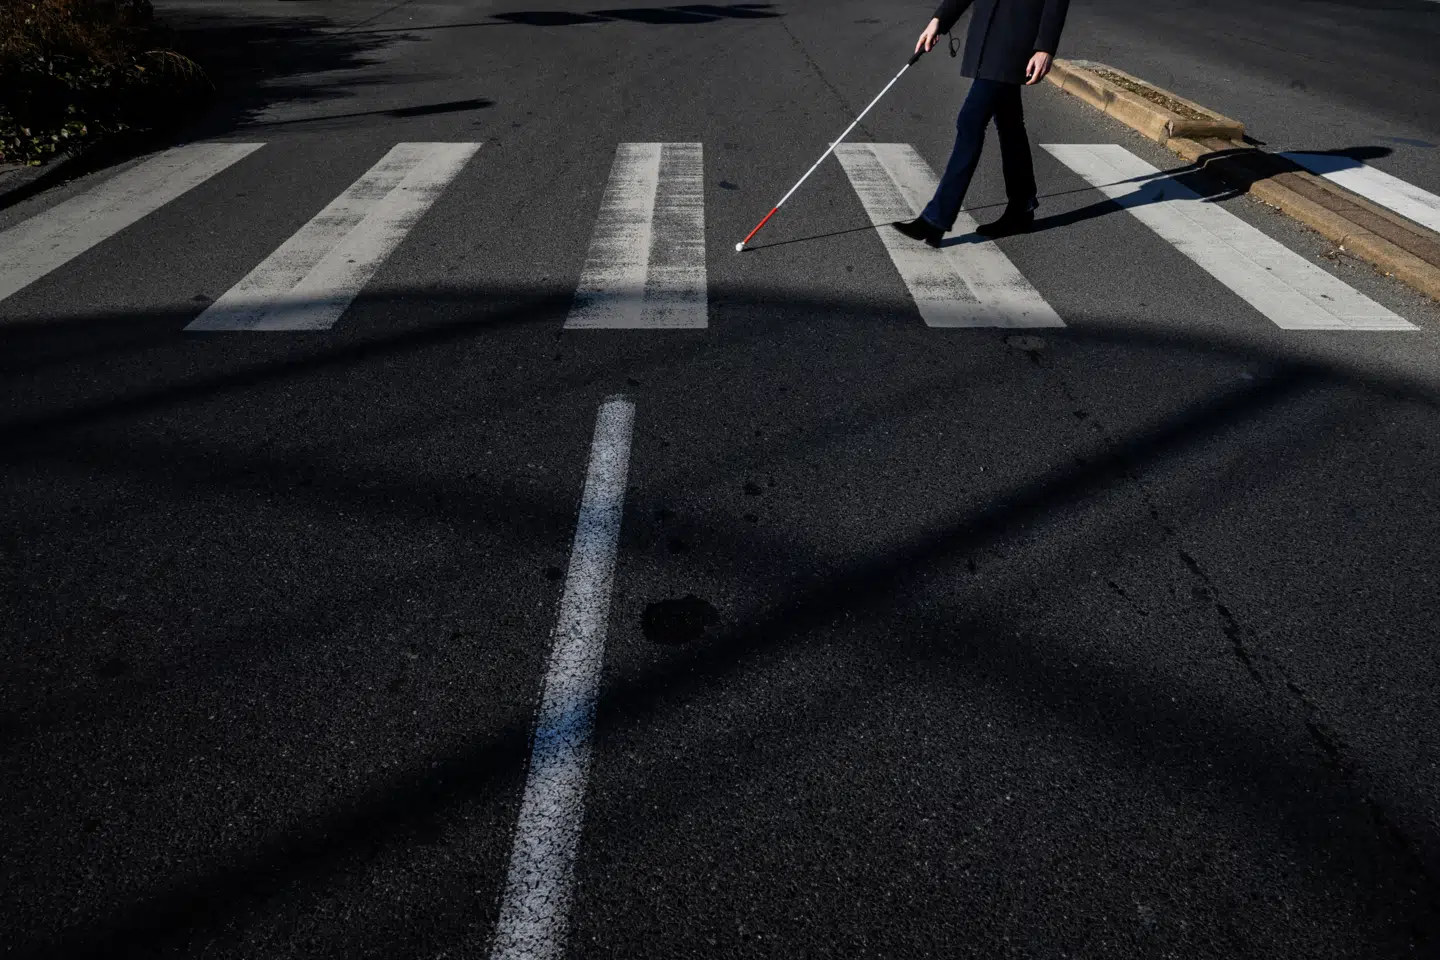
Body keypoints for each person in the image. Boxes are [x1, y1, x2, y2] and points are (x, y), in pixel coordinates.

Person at [893, 0, 1072, 247]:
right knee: (1009, 124)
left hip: (1015, 41)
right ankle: (1022, 207)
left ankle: (936, 218)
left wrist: (1045, 47)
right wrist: (940, 20)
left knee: (970, 122)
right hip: (987, 40)